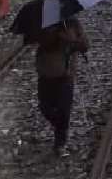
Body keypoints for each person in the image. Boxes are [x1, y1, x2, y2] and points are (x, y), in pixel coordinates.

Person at [35, 16, 88, 156]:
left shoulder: (72, 23)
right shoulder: (45, 24)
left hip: (66, 76)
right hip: (46, 74)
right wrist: (57, 36)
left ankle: (60, 144)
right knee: (45, 107)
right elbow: (41, 42)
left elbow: (84, 45)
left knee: (64, 111)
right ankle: (60, 127)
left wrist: (73, 41)